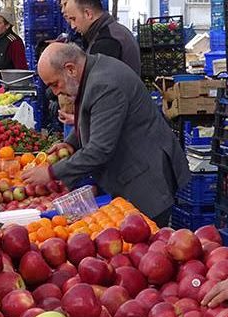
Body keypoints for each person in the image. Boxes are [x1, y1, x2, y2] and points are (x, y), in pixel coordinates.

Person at [22, 43, 190, 226]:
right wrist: (71, 143)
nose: (55, 92)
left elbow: (100, 149)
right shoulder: (92, 71)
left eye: (55, 84)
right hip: (132, 171)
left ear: (70, 69)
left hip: (145, 179)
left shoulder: (104, 84)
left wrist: (52, 172)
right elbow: (95, 121)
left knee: (146, 240)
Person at [63, 0, 140, 75]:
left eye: (73, 19)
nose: (72, 26)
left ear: (88, 13)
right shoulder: (112, 31)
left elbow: (98, 83)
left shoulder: (107, 41)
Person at [0, 11, 28, 78]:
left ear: (7, 25)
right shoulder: (0, 40)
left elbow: (21, 70)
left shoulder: (14, 42)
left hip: (9, 86)